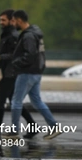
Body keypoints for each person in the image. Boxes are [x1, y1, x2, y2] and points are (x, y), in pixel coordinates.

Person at [6, 10, 62, 140]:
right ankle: (54, 126)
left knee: (16, 101)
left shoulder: (28, 36)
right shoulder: (35, 33)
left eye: (14, 21)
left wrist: (15, 63)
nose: (13, 24)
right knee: (36, 101)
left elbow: (29, 56)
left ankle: (14, 132)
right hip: (36, 72)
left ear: (19, 20)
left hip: (27, 72)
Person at [0, 9, 38, 138]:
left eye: (4, 20)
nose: (1, 22)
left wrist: (0, 57)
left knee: (0, 101)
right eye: (0, 20)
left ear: (11, 21)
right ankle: (33, 126)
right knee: (13, 101)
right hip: (7, 71)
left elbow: (16, 55)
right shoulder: (7, 34)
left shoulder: (13, 36)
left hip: (10, 73)